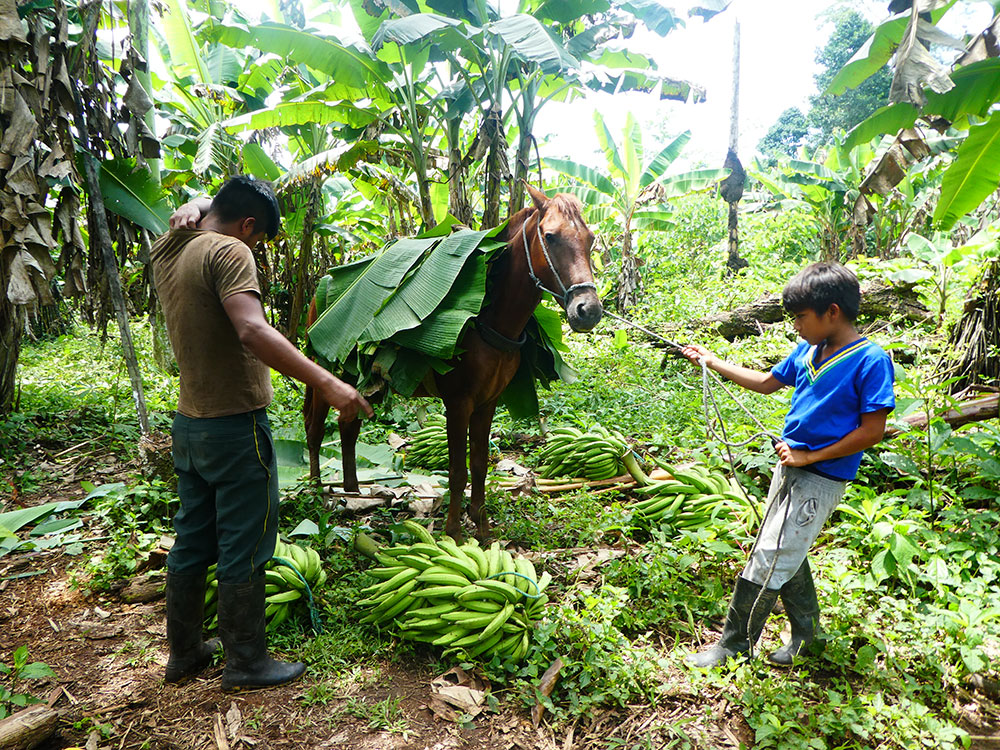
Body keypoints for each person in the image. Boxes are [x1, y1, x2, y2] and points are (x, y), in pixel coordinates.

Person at [152, 175, 373, 691]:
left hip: (189, 425)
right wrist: (331, 385)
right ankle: (246, 663)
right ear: (247, 225)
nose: (254, 247)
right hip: (236, 426)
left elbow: (204, 212)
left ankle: (184, 653)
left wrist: (196, 205)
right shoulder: (230, 253)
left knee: (191, 539)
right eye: (257, 236)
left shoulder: (169, 247)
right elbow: (251, 328)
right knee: (245, 544)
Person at [680, 261, 895, 668]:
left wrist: (810, 456)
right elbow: (765, 383)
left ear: (831, 311)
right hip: (790, 468)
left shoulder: (870, 360)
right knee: (784, 550)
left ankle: (732, 647)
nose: (795, 325)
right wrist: (712, 360)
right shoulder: (808, 351)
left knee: (771, 553)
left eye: (800, 317)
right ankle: (807, 637)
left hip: (820, 475)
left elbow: (872, 431)